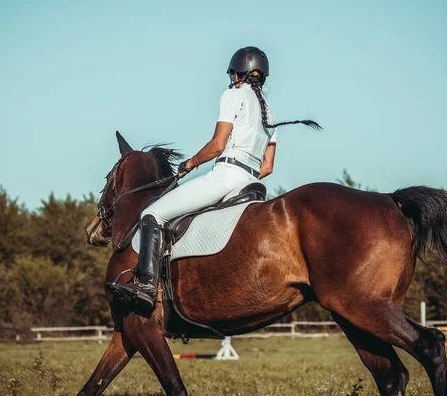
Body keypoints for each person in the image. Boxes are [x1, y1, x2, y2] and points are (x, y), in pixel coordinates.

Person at [110, 46, 321, 313]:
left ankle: (146, 287)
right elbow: (267, 167)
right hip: (252, 184)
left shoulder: (233, 94)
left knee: (152, 214)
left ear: (236, 74)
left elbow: (217, 145)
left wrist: (190, 163)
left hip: (225, 177)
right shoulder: (270, 112)